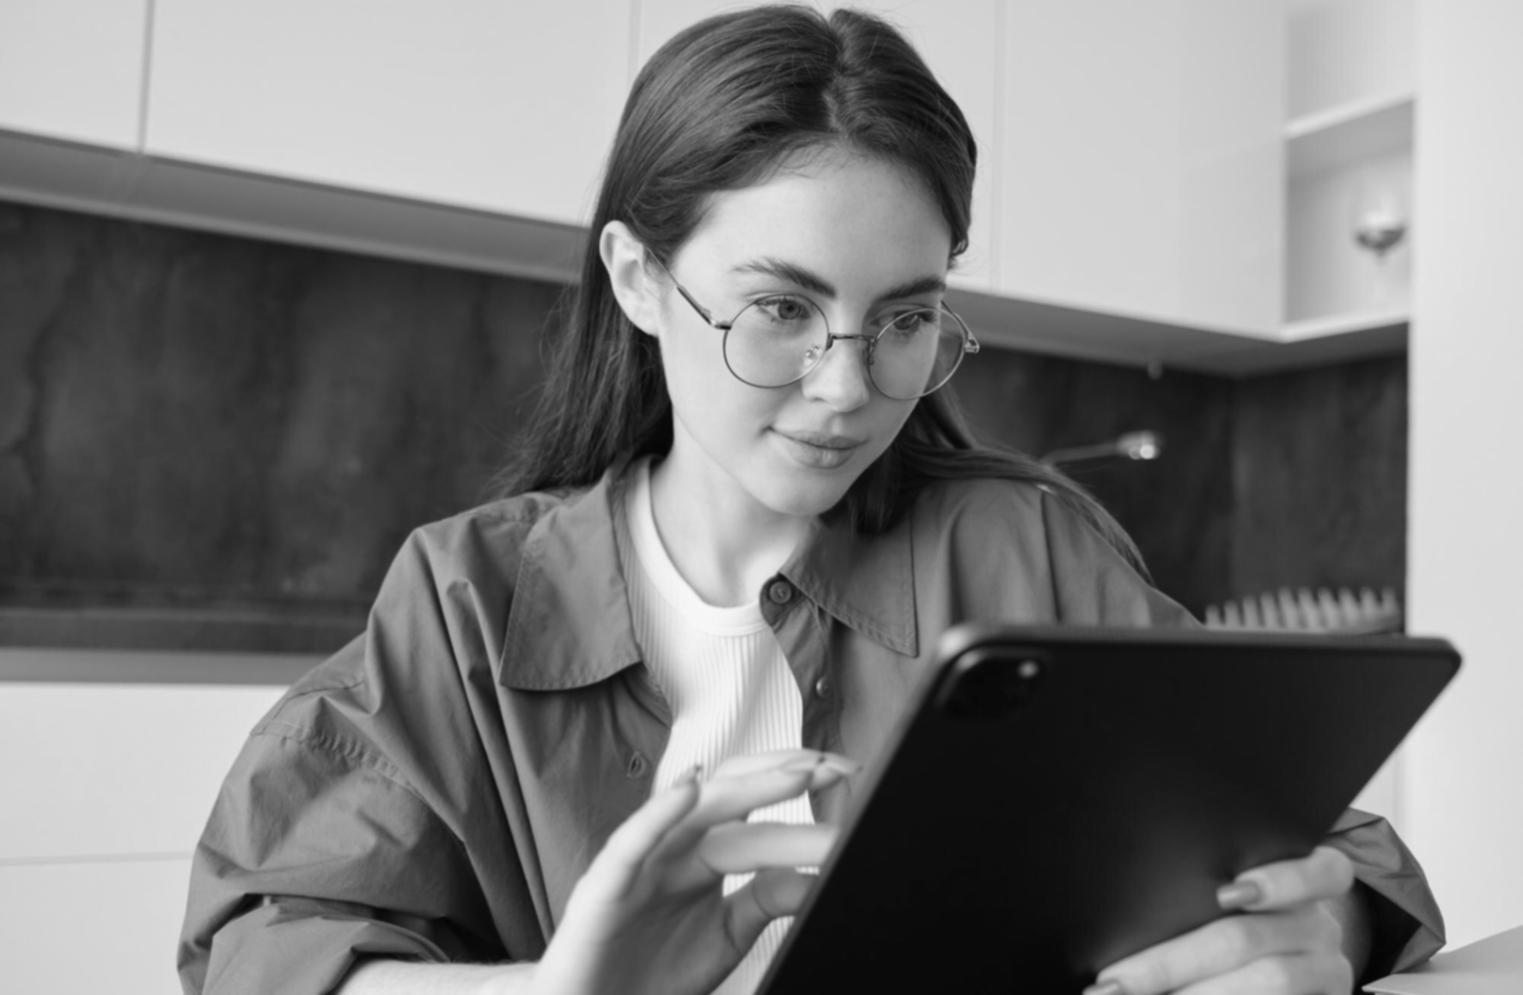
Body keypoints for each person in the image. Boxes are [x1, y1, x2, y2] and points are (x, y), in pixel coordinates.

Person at [177, 6, 1444, 994]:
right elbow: (263, 944)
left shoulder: (1025, 544)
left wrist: (1314, 924)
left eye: (901, 319)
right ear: (635, 276)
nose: (846, 388)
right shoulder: (469, 600)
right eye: (780, 308)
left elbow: (1339, 848)